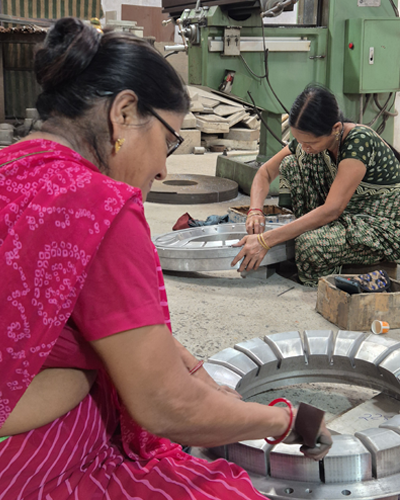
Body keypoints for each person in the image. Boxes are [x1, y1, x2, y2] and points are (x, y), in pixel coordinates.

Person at [0, 18, 332, 498]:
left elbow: (101, 320)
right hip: (37, 465)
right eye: (169, 140)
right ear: (125, 112)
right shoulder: (100, 207)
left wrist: (195, 370)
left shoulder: (12, 167)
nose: (164, 166)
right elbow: (164, 405)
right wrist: (286, 420)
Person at [232, 85, 400, 286]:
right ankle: (317, 238)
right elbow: (265, 172)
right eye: (299, 140)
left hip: (378, 225)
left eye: (311, 141)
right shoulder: (310, 143)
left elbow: (332, 210)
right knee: (292, 162)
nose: (304, 145)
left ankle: (326, 279)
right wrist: (255, 211)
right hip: (344, 217)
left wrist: (265, 240)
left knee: (309, 246)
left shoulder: (359, 142)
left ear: (336, 128)